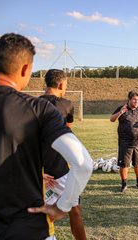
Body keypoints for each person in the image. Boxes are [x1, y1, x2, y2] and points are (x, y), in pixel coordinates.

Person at [0, 33, 93, 240]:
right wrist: (62, 206)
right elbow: (83, 163)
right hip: (30, 229)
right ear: (25, 69)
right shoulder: (39, 109)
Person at [39, 69, 87, 240]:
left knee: (39, 214)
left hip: (39, 171)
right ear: (61, 84)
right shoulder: (66, 104)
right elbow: (68, 133)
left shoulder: (30, 105)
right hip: (60, 169)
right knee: (75, 211)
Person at [110, 90, 138, 192]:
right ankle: (124, 184)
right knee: (124, 164)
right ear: (129, 99)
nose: (136, 102)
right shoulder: (122, 108)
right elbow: (112, 119)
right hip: (125, 143)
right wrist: (120, 112)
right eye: (134, 100)